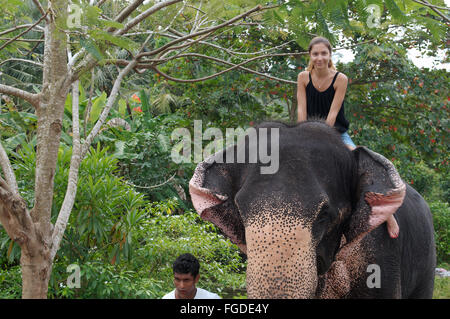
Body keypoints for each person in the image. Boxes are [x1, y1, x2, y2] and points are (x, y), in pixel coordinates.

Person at [296, 36, 399, 239]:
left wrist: (322, 139)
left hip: (336, 134)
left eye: (323, 53)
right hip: (307, 133)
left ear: (330, 55)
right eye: (315, 53)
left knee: (362, 163)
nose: (319, 57)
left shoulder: (340, 79)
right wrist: (302, 136)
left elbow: (333, 115)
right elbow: (301, 110)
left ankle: (388, 214)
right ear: (310, 55)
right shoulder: (303, 77)